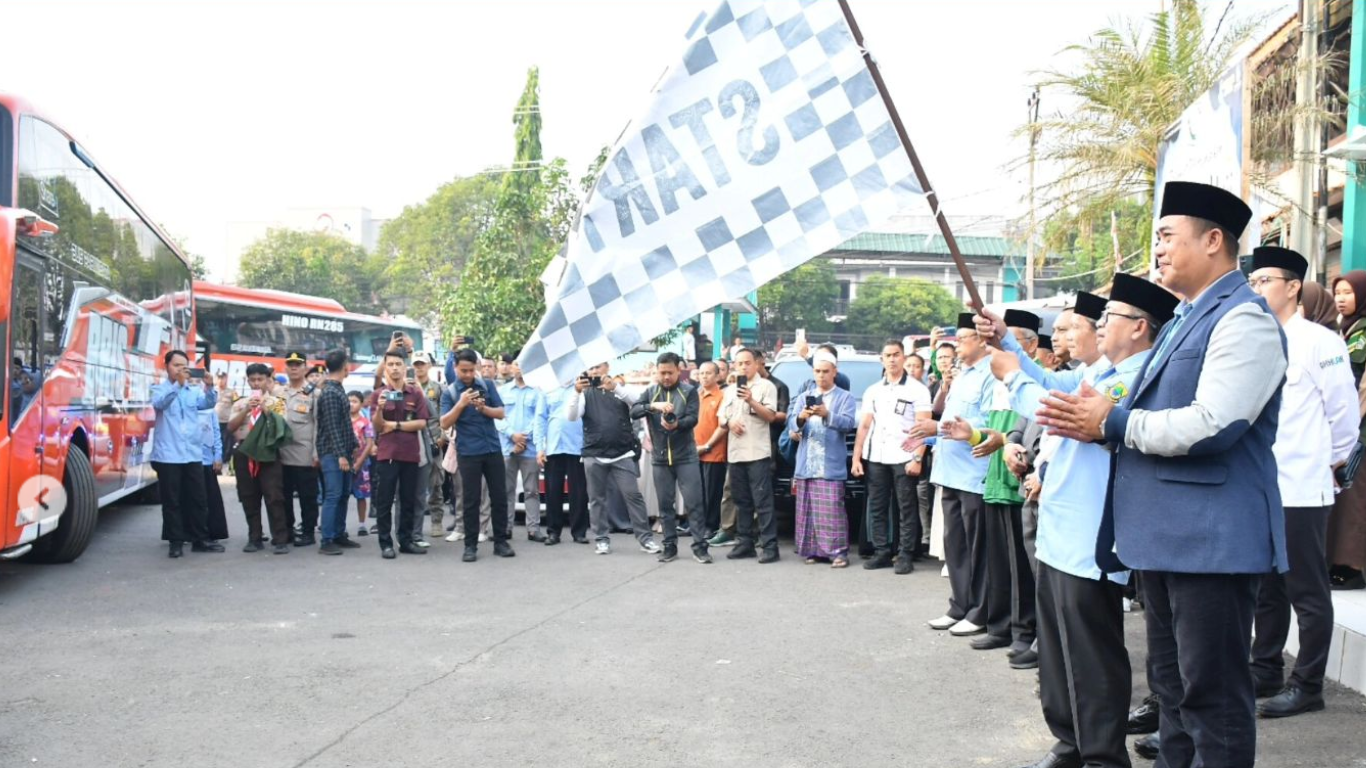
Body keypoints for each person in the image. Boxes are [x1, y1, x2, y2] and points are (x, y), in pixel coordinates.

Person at [1037, 181, 1287, 768]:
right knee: (1174, 697)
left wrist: (1114, 423)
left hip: (1211, 543)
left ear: (1215, 240)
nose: (1159, 251)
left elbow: (1214, 424)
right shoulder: (1186, 319)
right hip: (1169, 541)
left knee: (1213, 700)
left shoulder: (1242, 320)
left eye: (1169, 237)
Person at [982, 273, 1175, 768]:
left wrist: (1010, 374)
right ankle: (1069, 741)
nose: (1099, 325)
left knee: (1094, 658)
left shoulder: (1141, 374)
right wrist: (1006, 343)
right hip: (1060, 532)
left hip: (1092, 538)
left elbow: (1056, 411)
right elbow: (1049, 382)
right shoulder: (1104, 369)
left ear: (1138, 327)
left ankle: (1102, 756)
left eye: (1109, 317)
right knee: (1057, 651)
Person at [1247, 247, 1356, 718]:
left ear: (1293, 286)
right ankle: (1264, 668)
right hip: (1260, 487)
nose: (1256, 289)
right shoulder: (1253, 337)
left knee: (1306, 591)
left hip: (1302, 487)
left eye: (1265, 280)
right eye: (1251, 281)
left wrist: (1326, 464)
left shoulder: (1318, 342)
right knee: (1266, 587)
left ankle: (1308, 684)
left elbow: (1344, 417)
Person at [918, 314, 996, 636]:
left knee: (977, 547)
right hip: (949, 471)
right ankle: (959, 605)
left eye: (963, 338)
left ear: (981, 340)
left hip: (973, 473)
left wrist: (937, 427)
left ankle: (980, 611)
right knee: (955, 546)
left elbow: (991, 425)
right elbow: (949, 416)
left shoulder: (991, 376)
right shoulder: (961, 375)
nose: (957, 345)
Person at [972, 309, 1040, 656]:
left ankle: (1024, 632)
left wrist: (1004, 440)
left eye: (1007, 340)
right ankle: (999, 625)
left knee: (1023, 569)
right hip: (995, 480)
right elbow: (995, 429)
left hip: (1022, 482)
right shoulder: (994, 380)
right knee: (998, 562)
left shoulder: (1033, 380)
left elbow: (1027, 427)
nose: (997, 346)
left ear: (1029, 345)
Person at [852, 339, 933, 574]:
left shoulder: (917, 389)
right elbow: (865, 426)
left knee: (906, 507)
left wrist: (918, 458)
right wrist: (857, 458)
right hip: (876, 454)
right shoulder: (873, 390)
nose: (892, 359)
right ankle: (881, 551)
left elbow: (924, 426)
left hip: (904, 455)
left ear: (904, 357)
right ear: (882, 359)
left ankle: (906, 553)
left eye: (896, 354)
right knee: (877, 506)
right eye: (887, 355)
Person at [568, 362, 658, 555]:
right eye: (590, 369)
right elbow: (572, 416)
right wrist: (575, 392)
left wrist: (615, 387)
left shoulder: (620, 388)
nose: (594, 372)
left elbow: (637, 403)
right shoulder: (584, 393)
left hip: (622, 452)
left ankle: (645, 539)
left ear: (607, 367)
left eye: (597, 367)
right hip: (594, 453)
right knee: (596, 499)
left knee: (633, 496)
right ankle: (601, 539)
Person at [630, 352, 711, 564]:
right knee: (665, 505)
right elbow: (634, 411)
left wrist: (676, 425)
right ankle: (669, 546)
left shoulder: (689, 391)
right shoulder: (650, 391)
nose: (666, 377)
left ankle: (700, 547)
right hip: (659, 458)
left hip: (686, 456)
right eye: (662, 372)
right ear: (657, 372)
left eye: (670, 372)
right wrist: (652, 407)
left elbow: (693, 418)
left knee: (694, 503)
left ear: (678, 371)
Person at [440, 348, 513, 562]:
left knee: (499, 497)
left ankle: (500, 541)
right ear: (455, 368)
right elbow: (444, 422)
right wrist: (461, 404)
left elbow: (500, 413)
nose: (468, 375)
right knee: (470, 500)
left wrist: (483, 409)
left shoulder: (487, 385)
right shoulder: (451, 392)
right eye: (463, 370)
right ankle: (470, 546)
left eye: (472, 370)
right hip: (468, 451)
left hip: (492, 448)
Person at [788, 350, 857, 567]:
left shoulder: (845, 397)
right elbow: (791, 425)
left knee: (831, 510)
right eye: (817, 371)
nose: (821, 375)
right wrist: (801, 417)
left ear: (834, 372)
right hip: (807, 463)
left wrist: (827, 414)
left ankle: (838, 553)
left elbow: (847, 424)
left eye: (826, 371)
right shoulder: (803, 397)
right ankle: (812, 550)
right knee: (808, 509)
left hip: (830, 464)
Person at [369, 348, 436, 560]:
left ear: (404, 367)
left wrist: (395, 424)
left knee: (408, 500)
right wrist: (380, 411)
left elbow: (421, 422)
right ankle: (385, 543)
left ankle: (405, 541)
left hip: (410, 453)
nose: (395, 368)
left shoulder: (414, 393)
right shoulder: (379, 394)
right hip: (387, 454)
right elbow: (378, 427)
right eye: (390, 365)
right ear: (385, 368)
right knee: (385, 500)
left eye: (398, 364)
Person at [150, 351, 219, 558]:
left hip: (192, 454)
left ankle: (200, 539)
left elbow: (207, 404)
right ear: (166, 366)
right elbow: (159, 404)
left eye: (184, 366)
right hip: (168, 455)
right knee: (172, 500)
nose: (181, 370)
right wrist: (177, 385)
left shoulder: (194, 390)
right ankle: (176, 541)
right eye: (176, 365)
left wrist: (210, 386)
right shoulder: (158, 388)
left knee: (198, 498)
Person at [721, 348, 782, 562]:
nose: (744, 367)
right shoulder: (729, 390)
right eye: (739, 363)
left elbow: (771, 416)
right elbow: (721, 417)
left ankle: (769, 546)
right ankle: (744, 542)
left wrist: (751, 400)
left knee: (762, 502)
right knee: (741, 501)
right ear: (734, 365)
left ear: (756, 364)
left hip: (757, 452)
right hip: (736, 453)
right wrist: (730, 423)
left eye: (748, 363)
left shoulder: (766, 387)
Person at [1329, 270, 1366, 591]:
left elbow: (1359, 383)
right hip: (1352, 426)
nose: (1341, 298)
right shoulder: (1349, 329)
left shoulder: (1362, 331)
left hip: (1359, 429)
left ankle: (1351, 567)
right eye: (1337, 292)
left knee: (1354, 495)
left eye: (1348, 293)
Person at [228, 363, 290, 553]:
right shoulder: (240, 403)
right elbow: (231, 428)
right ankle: (254, 537)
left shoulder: (277, 402)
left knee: (274, 496)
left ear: (267, 380)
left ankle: (280, 538)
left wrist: (266, 410)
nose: (256, 383)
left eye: (260, 379)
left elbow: (282, 428)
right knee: (248, 496)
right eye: (252, 380)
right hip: (244, 451)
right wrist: (246, 409)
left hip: (267, 451)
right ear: (248, 381)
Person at [315, 349, 361, 555]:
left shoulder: (337, 389)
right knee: (333, 495)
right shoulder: (332, 393)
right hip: (333, 453)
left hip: (342, 451)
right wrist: (342, 454)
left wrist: (351, 446)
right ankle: (327, 539)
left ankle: (339, 533)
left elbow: (343, 425)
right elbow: (333, 427)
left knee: (342, 494)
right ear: (345, 366)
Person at [536, 379, 589, 545]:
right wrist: (540, 447)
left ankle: (579, 532)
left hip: (577, 446)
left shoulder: (584, 388)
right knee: (552, 491)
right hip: (554, 446)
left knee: (579, 492)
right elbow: (540, 419)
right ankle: (553, 532)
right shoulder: (547, 388)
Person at [499, 360, 546, 542]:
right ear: (511, 367)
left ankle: (533, 529)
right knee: (506, 490)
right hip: (507, 447)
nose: (519, 368)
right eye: (516, 364)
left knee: (532, 490)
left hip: (530, 447)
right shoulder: (502, 391)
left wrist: (523, 437)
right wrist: (512, 435)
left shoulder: (537, 391)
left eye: (523, 364)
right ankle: (505, 528)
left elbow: (539, 417)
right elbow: (498, 417)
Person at [278, 351, 320, 548]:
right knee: (283, 496)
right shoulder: (279, 392)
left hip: (304, 454)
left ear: (305, 367)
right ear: (285, 367)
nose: (293, 368)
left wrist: (316, 452)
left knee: (307, 497)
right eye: (290, 364)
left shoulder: (314, 393)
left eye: (297, 364)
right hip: (281, 454)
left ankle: (308, 531)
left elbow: (318, 424)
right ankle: (287, 530)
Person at [411, 351, 447, 544]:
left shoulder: (437, 388)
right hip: (412, 439)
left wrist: (443, 435)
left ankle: (436, 520)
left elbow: (444, 413)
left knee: (435, 483)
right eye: (416, 364)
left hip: (433, 439)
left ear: (429, 366)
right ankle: (412, 524)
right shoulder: (408, 387)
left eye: (422, 364)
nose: (419, 367)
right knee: (413, 484)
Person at [694, 361, 728, 543]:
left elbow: (723, 427)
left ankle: (711, 526)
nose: (704, 376)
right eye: (701, 373)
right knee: (697, 492)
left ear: (717, 376)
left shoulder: (722, 396)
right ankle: (698, 524)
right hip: (693, 452)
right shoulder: (696, 396)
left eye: (708, 373)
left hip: (713, 453)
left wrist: (707, 446)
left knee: (712, 492)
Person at [198, 382, 229, 542]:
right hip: (188, 458)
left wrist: (218, 456)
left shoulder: (209, 410)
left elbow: (216, 433)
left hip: (207, 459)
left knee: (210, 499)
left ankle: (211, 533)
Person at [348, 391, 374, 537]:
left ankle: (361, 524)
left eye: (355, 401)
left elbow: (369, 444)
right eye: (349, 401)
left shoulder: (366, 422)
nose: (351, 404)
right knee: (342, 495)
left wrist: (359, 462)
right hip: (345, 462)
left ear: (361, 403)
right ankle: (341, 525)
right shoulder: (342, 420)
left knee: (361, 495)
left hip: (362, 463)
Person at [214, 370, 236, 468]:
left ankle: (225, 462)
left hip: (226, 422)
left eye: (222, 378)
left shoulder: (232, 392)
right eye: (219, 378)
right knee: (215, 442)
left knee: (227, 443)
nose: (220, 380)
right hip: (215, 422)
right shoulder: (213, 391)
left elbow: (237, 405)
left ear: (226, 379)